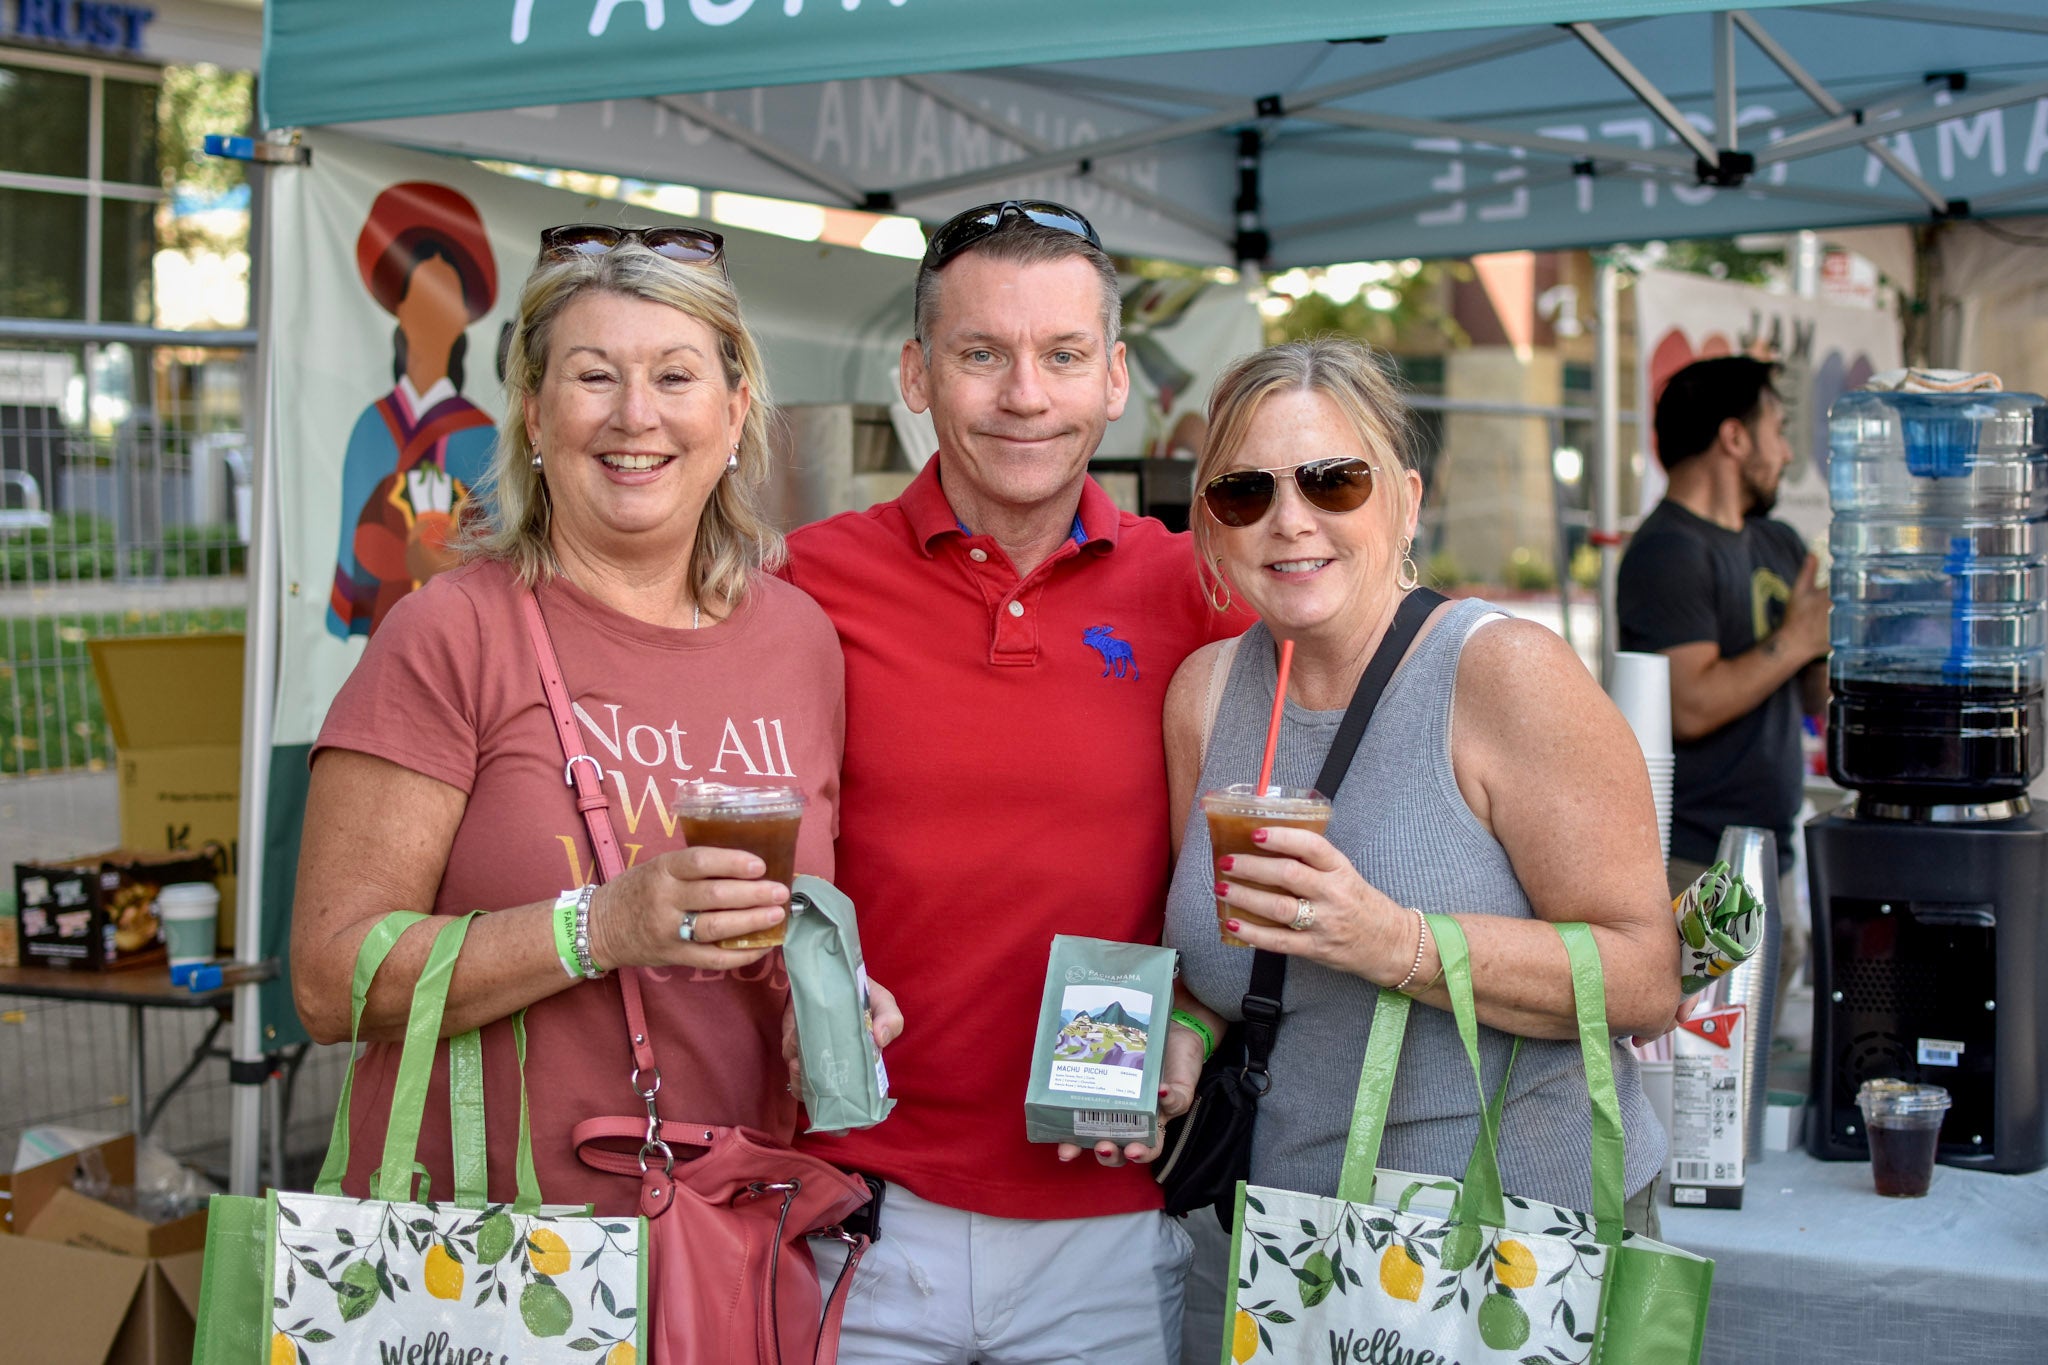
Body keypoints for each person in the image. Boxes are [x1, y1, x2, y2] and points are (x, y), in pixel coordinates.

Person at [293, 226, 900, 1232]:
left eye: (674, 375)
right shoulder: (448, 633)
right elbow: (328, 982)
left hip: (726, 1233)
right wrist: (599, 927)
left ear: (735, 408)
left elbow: (785, 922)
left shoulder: (799, 639)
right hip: (485, 1247)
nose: (635, 416)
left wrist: (823, 1008)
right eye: (593, 377)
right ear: (532, 411)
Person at [780, 200, 1244, 1364]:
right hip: (860, 1208)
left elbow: (1265, 856)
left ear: (1114, 379)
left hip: (1108, 1215)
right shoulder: (802, 582)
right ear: (917, 373)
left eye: (1061, 356)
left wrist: (1192, 1017)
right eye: (980, 354)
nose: (1023, 395)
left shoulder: (1201, 593)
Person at [1164, 338, 1679, 1250]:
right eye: (1245, 492)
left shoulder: (1503, 672)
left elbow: (1644, 977)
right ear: (1211, 523)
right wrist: (1184, 1039)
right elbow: (1230, 972)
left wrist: (1392, 940)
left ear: (1405, 502)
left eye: (1333, 481)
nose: (1289, 520)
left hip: (1512, 1241)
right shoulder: (1206, 698)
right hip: (1295, 1245)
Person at [1618, 356, 1826, 960]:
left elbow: (1814, 699)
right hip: (1694, 860)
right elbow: (1693, 704)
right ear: (1734, 437)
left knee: (1756, 1046)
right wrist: (1798, 640)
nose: (1787, 453)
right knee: (1700, 1052)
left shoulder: (1779, 542)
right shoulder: (1667, 551)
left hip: (1770, 853)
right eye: (1779, 430)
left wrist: (1830, 649)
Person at [329, 181, 501, 639]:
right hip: (386, 630)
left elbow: (508, 548)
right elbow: (354, 553)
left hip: (465, 633)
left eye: (443, 298)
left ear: (465, 317)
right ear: (397, 308)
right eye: (419, 294)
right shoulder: (372, 427)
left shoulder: (484, 436)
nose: (431, 312)